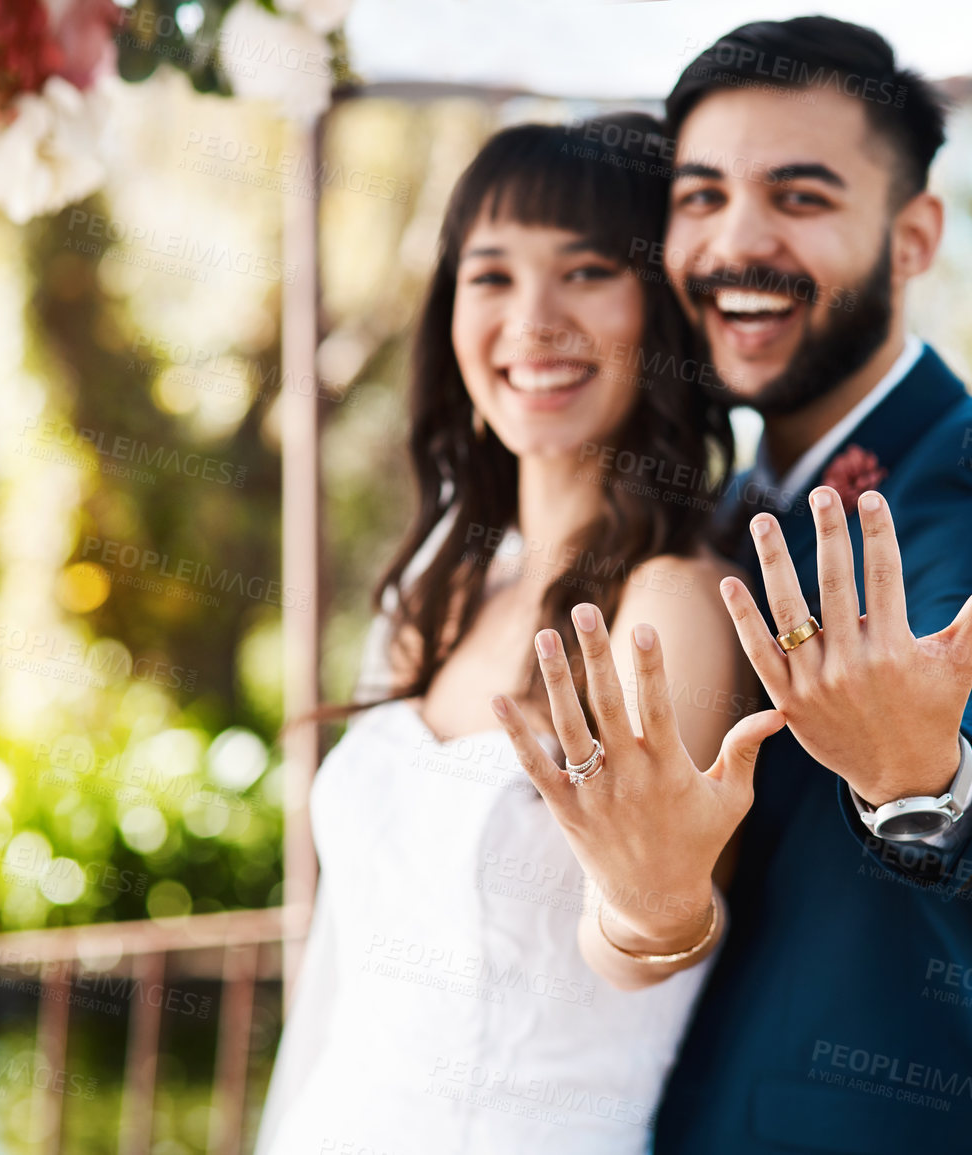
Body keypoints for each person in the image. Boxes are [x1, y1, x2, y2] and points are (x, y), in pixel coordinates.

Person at [498, 19, 972, 1155]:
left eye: (801, 197)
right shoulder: (716, 516)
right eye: (702, 196)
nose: (739, 242)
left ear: (914, 237)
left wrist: (926, 771)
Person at [252, 113, 774, 1155]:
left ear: (662, 311)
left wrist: (652, 909)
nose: (533, 318)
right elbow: (342, 974)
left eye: (586, 272)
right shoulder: (435, 595)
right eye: (490, 277)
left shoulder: (670, 602)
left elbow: (643, 937)